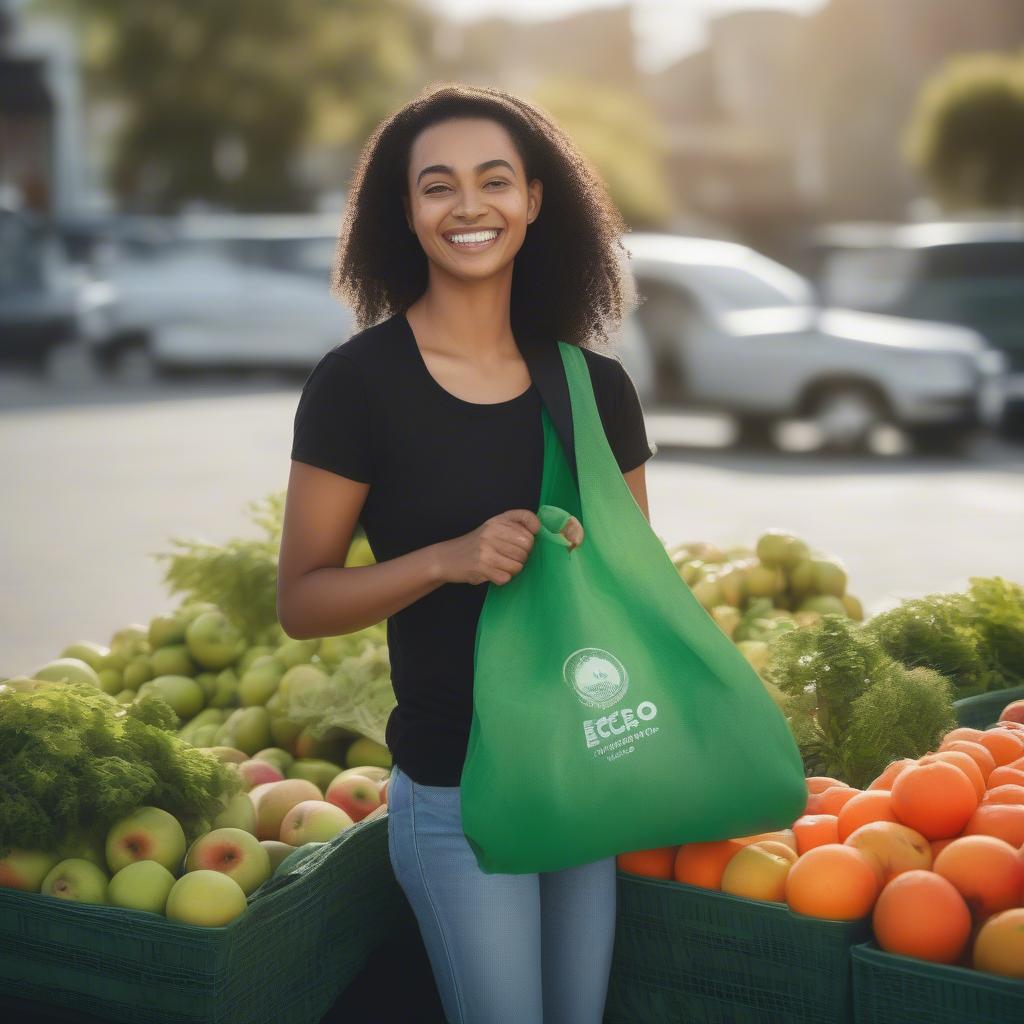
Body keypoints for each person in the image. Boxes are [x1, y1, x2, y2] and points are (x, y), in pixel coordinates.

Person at [278, 83, 656, 1024]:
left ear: (535, 199)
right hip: (454, 791)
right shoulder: (358, 385)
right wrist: (444, 559)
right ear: (405, 215)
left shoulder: (596, 389)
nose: (468, 206)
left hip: (584, 775)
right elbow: (303, 600)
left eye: (494, 181)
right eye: (436, 186)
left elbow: (639, 589)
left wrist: (590, 558)